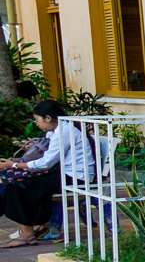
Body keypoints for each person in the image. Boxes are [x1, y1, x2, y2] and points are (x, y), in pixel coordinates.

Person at [0, 100, 94, 247]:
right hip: (63, 172)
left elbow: (46, 162)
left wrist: (14, 164)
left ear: (48, 118)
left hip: (75, 177)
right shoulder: (57, 129)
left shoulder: (64, 131)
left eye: (37, 120)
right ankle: (34, 227)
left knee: (17, 184)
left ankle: (27, 235)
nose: (36, 123)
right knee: (14, 182)